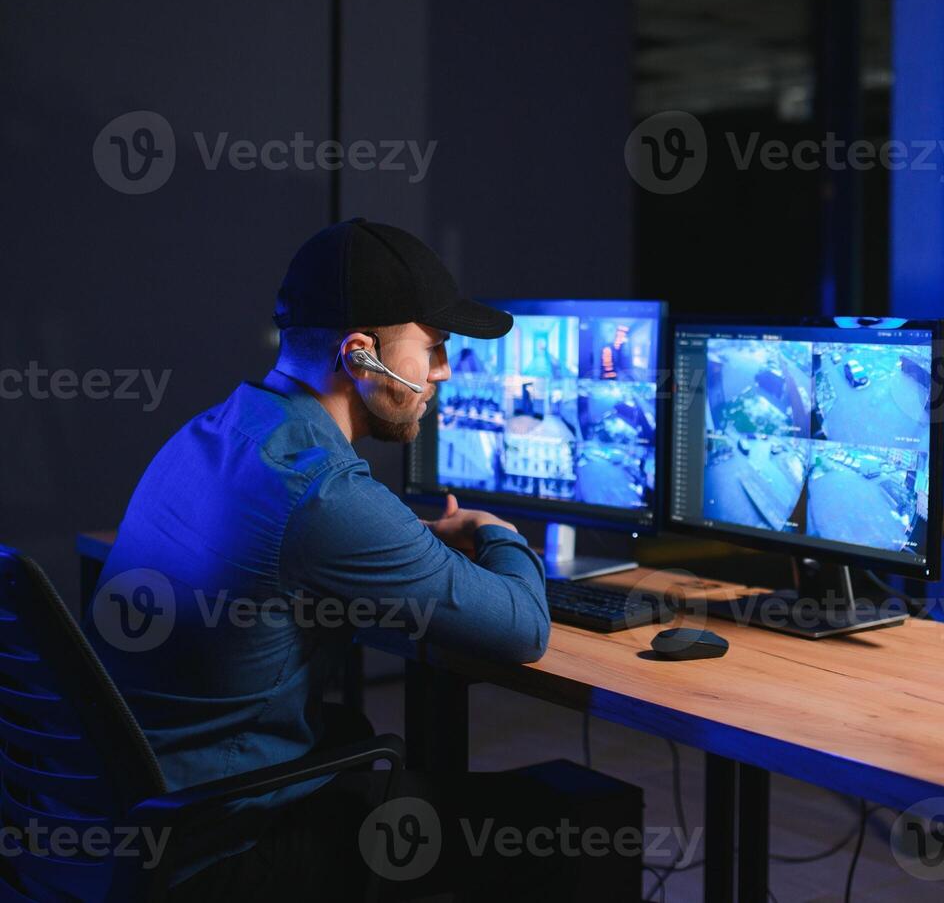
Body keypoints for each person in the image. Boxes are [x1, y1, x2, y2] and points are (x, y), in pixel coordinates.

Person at [87, 220, 640, 900]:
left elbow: (296, 540)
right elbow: (524, 627)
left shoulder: (218, 431)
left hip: (128, 817)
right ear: (359, 353)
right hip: (221, 851)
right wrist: (497, 532)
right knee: (568, 818)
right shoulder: (321, 491)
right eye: (433, 348)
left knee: (373, 750)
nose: (443, 370)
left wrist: (406, 541)